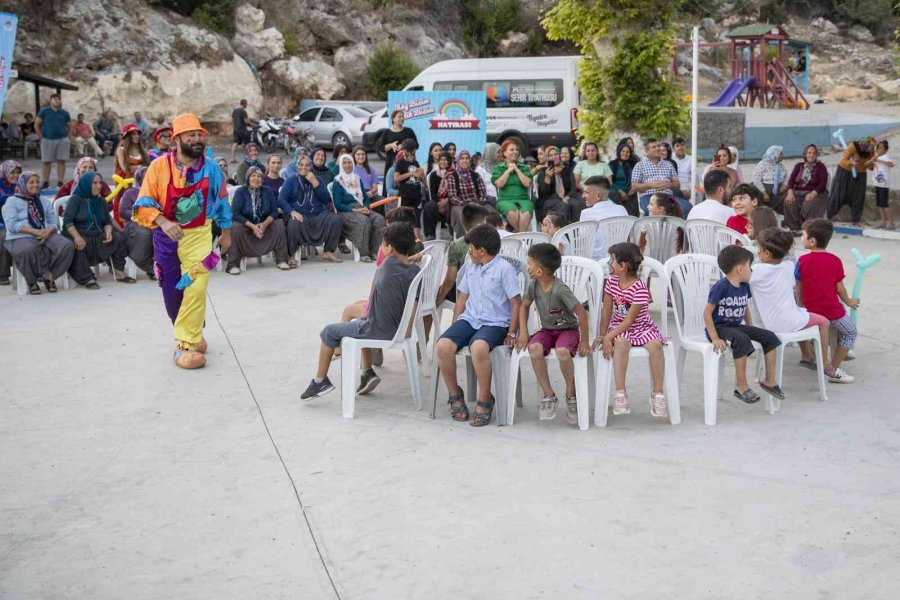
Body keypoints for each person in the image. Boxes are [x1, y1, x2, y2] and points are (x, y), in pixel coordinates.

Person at [132, 113, 233, 369]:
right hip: (166, 238)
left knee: (197, 287)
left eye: (199, 134)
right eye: (191, 135)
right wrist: (164, 222)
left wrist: (227, 232)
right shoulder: (158, 167)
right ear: (177, 139)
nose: (197, 138)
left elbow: (221, 200)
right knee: (172, 292)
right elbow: (143, 203)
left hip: (200, 235)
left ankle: (184, 346)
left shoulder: (211, 168)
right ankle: (193, 333)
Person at [300, 222, 421, 399]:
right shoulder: (414, 270)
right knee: (359, 321)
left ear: (390, 248)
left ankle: (320, 381)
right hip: (398, 327)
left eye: (383, 244)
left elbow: (372, 297)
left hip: (379, 329)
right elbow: (401, 268)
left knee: (328, 332)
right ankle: (367, 373)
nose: (381, 247)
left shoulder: (385, 267)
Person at [435, 224, 522, 427]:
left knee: (479, 347)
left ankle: (485, 399)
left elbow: (516, 302)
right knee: (443, 346)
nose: (469, 251)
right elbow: (462, 297)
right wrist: (456, 324)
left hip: (496, 322)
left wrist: (512, 331)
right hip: (471, 319)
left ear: (482, 251)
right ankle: (455, 394)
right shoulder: (471, 268)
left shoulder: (504, 269)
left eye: (471, 248)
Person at [594, 242, 670, 418]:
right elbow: (606, 311)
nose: (609, 263)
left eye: (612, 260)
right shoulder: (611, 283)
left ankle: (658, 393)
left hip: (641, 327)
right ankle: (620, 392)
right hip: (619, 328)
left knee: (656, 346)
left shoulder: (640, 288)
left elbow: (630, 320)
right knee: (620, 343)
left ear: (623, 266)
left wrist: (608, 337)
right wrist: (603, 335)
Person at [517, 243, 590, 423]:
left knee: (563, 352)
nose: (527, 266)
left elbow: (581, 311)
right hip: (548, 331)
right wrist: (524, 333)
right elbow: (524, 306)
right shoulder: (534, 286)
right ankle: (548, 394)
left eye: (529, 262)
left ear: (540, 270)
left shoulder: (560, 289)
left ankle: (571, 393)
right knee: (534, 348)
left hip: (567, 330)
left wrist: (585, 340)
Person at [704, 244, 784, 403]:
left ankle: (770, 380)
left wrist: (751, 327)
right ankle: (741, 386)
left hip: (735, 326)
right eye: (750, 266)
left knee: (770, 337)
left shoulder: (744, 286)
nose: (752, 270)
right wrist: (714, 338)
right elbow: (707, 313)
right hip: (718, 327)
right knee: (741, 339)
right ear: (740, 269)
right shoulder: (721, 287)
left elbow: (745, 307)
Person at [750, 228, 832, 382]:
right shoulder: (789, 266)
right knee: (823, 321)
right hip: (790, 320)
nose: (758, 253)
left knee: (800, 313)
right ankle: (825, 362)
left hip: (769, 324)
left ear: (766, 253)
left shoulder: (756, 271)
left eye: (759, 250)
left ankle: (809, 356)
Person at [795, 218, 859, 383]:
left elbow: (799, 287)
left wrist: (800, 306)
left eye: (803, 235)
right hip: (832, 312)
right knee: (850, 332)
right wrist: (849, 301)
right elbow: (840, 288)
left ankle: (812, 351)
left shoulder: (802, 261)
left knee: (810, 330)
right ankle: (833, 368)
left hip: (810, 312)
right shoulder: (835, 261)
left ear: (812, 241)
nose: (801, 238)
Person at [1, 171, 74, 294]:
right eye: (31, 182)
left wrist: (47, 231)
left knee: (66, 245)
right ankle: (31, 280)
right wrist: (36, 232)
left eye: (37, 182)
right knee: (28, 249)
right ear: (23, 184)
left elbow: (53, 221)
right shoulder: (12, 202)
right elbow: (12, 225)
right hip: (20, 235)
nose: (35, 185)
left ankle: (49, 276)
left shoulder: (44, 201)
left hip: (45, 232)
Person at [64, 172, 132, 289]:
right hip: (79, 234)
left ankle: (119, 272)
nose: (98, 186)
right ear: (86, 184)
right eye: (94, 183)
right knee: (77, 245)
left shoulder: (101, 201)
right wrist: (77, 236)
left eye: (100, 183)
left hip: (97, 235)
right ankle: (87, 278)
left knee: (119, 238)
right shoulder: (75, 200)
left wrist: (108, 231)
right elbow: (67, 222)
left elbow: (106, 221)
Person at [278, 156, 343, 263]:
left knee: (336, 220)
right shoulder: (291, 181)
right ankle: (291, 256)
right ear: (297, 167)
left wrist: (314, 182)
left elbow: (326, 199)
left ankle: (328, 252)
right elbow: (281, 199)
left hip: (318, 214)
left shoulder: (318, 179)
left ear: (311, 167)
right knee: (293, 223)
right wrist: (292, 211)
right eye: (301, 165)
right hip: (301, 215)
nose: (304, 167)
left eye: (307, 165)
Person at [227, 166, 290, 273]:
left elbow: (274, 212)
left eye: (259, 176)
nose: (257, 179)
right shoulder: (240, 192)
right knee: (235, 227)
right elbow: (235, 214)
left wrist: (264, 224)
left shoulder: (267, 191)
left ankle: (281, 260)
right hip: (246, 228)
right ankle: (233, 264)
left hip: (264, 228)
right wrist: (252, 226)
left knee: (279, 223)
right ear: (248, 177)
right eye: (253, 176)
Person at [332, 153, 386, 262]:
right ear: (341, 165)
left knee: (379, 219)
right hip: (346, 211)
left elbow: (365, 198)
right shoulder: (338, 181)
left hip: (362, 209)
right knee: (364, 221)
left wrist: (366, 207)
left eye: (349, 162)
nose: (347, 165)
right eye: (344, 163)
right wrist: (356, 210)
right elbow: (338, 205)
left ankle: (373, 251)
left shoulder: (357, 178)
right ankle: (363, 253)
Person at [436, 204, 489, 307]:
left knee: (435, 293)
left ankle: (429, 322)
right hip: (488, 292)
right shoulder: (492, 242)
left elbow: (451, 279)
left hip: (464, 294)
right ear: (482, 224)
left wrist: (438, 300)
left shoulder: (456, 246)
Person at [427, 150, 487, 239]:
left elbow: (482, 193)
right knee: (430, 207)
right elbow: (452, 196)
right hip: (459, 203)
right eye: (462, 158)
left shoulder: (475, 175)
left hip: (474, 202)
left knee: (489, 211)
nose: (465, 161)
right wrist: (464, 203)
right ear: (458, 161)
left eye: (467, 158)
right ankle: (463, 240)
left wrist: (478, 202)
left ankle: (486, 238)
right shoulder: (450, 176)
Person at [827, 138, 876, 227]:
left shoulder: (871, 150)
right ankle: (828, 217)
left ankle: (856, 220)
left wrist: (871, 164)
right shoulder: (853, 146)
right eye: (867, 143)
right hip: (845, 172)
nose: (868, 146)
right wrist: (852, 162)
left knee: (858, 197)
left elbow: (870, 166)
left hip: (860, 174)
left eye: (870, 145)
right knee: (838, 194)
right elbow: (843, 160)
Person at [118, 166, 155, 280]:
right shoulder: (130, 193)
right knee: (144, 234)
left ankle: (158, 266)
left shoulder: (156, 191)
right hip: (134, 224)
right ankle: (149, 266)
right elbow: (123, 211)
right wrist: (141, 213)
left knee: (161, 232)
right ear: (139, 178)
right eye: (145, 177)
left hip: (153, 222)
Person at [783, 144, 829, 233]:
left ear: (816, 155)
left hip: (816, 193)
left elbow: (823, 183)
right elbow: (791, 180)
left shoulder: (820, 166)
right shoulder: (798, 166)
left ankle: (808, 228)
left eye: (814, 153)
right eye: (809, 152)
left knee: (809, 204)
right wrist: (790, 193)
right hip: (798, 192)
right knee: (789, 202)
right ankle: (794, 228)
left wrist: (812, 193)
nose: (811, 155)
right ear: (805, 154)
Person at [578, 176, 627, 259]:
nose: (583, 196)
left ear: (598, 195)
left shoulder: (586, 213)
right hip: (620, 260)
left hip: (596, 262)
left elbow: (583, 242)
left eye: (586, 192)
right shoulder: (622, 210)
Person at [631, 138, 683, 216]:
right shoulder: (639, 165)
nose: (658, 148)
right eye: (654, 147)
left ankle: (676, 228)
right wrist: (650, 185)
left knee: (685, 207)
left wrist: (670, 185)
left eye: (658, 146)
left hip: (668, 197)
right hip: (649, 196)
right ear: (647, 151)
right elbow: (634, 186)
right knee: (651, 210)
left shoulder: (669, 164)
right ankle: (649, 228)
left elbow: (677, 185)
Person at [492, 140, 533, 232]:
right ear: (504, 153)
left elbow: (527, 184)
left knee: (525, 214)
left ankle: (519, 238)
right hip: (504, 199)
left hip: (523, 199)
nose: (515, 152)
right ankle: (522, 237)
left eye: (516, 150)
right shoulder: (498, 168)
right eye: (512, 150)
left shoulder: (525, 168)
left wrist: (517, 170)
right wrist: (508, 171)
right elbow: (499, 184)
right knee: (512, 213)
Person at [35, 93, 73, 188]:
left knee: (61, 161)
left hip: (62, 140)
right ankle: (46, 182)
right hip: (47, 139)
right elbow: (37, 124)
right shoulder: (44, 112)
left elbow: (70, 126)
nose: (57, 101)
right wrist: (40, 137)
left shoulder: (64, 113)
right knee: (46, 161)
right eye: (55, 99)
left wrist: (68, 137)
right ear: (51, 101)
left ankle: (60, 182)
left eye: (58, 99)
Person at [393, 138, 426, 237]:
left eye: (413, 151)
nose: (411, 154)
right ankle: (404, 240)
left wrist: (422, 175)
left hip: (417, 195)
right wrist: (411, 173)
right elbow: (396, 178)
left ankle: (417, 242)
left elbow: (422, 180)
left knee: (417, 220)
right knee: (404, 219)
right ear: (404, 151)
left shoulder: (415, 163)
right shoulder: (400, 163)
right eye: (409, 151)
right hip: (405, 195)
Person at [0, 160, 22, 285]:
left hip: (20, 223)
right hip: (2, 224)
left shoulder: (24, 185)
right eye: (12, 172)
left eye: (18, 172)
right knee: (4, 237)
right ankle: (3, 274)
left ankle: (38, 271)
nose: (16, 175)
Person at [379, 110, 418, 178]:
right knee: (391, 183)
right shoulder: (387, 132)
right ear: (393, 119)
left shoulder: (409, 131)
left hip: (408, 162)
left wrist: (404, 145)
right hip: (391, 163)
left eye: (403, 117)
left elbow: (416, 145)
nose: (402, 118)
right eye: (399, 117)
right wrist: (391, 145)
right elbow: (381, 148)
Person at [423, 151, 451, 239]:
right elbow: (433, 193)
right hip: (438, 200)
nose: (443, 162)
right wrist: (439, 202)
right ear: (438, 161)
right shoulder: (433, 175)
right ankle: (430, 235)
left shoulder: (454, 174)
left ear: (449, 161)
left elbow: (456, 192)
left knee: (452, 209)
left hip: (450, 200)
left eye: (445, 160)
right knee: (428, 206)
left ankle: (453, 234)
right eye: (441, 160)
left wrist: (446, 200)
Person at [752, 145, 788, 213]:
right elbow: (756, 179)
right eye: (780, 153)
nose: (783, 155)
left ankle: (778, 213)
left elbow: (786, 177)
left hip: (778, 190)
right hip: (764, 189)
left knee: (788, 193)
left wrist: (784, 185)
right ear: (774, 154)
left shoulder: (781, 166)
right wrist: (764, 192)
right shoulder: (762, 164)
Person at [608, 140, 637, 216]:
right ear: (619, 152)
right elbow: (610, 182)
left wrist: (633, 189)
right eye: (623, 151)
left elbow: (637, 179)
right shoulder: (612, 164)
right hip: (616, 192)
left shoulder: (634, 164)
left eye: (628, 152)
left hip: (631, 192)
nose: (625, 153)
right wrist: (620, 191)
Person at [872, 140, 894, 230]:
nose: (879, 149)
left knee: (884, 205)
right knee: (880, 204)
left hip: (884, 184)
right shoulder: (877, 157)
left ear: (885, 150)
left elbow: (891, 164)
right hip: (878, 183)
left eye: (881, 148)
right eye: (878, 147)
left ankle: (891, 223)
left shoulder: (885, 157)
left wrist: (879, 160)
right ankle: (883, 222)